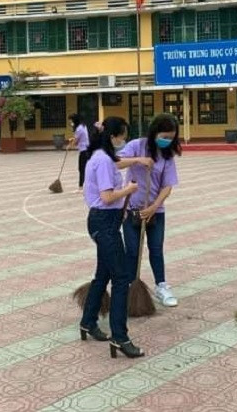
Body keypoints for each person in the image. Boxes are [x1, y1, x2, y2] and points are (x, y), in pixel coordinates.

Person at [80, 116, 152, 359]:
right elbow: (108, 196)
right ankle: (120, 337)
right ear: (113, 136)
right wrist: (130, 190)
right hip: (104, 222)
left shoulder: (103, 157)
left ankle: (88, 321)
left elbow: (118, 163)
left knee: (103, 274)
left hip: (107, 221)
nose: (124, 140)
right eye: (123, 136)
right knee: (121, 279)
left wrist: (139, 160)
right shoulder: (101, 160)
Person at [119, 114, 181, 307]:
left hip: (155, 211)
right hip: (131, 209)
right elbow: (116, 162)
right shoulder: (137, 145)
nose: (167, 140)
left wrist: (154, 207)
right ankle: (130, 287)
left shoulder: (167, 156)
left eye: (171, 137)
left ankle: (161, 285)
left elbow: (168, 186)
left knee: (156, 249)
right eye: (164, 136)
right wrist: (138, 160)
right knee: (132, 251)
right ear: (154, 132)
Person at [68, 113, 90, 193]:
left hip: (84, 151)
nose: (70, 123)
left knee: (81, 169)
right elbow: (78, 139)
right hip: (86, 149)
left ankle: (81, 188)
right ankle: (85, 186)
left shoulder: (79, 129)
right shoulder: (83, 126)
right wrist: (72, 140)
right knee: (84, 169)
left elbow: (76, 141)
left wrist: (69, 146)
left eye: (71, 121)